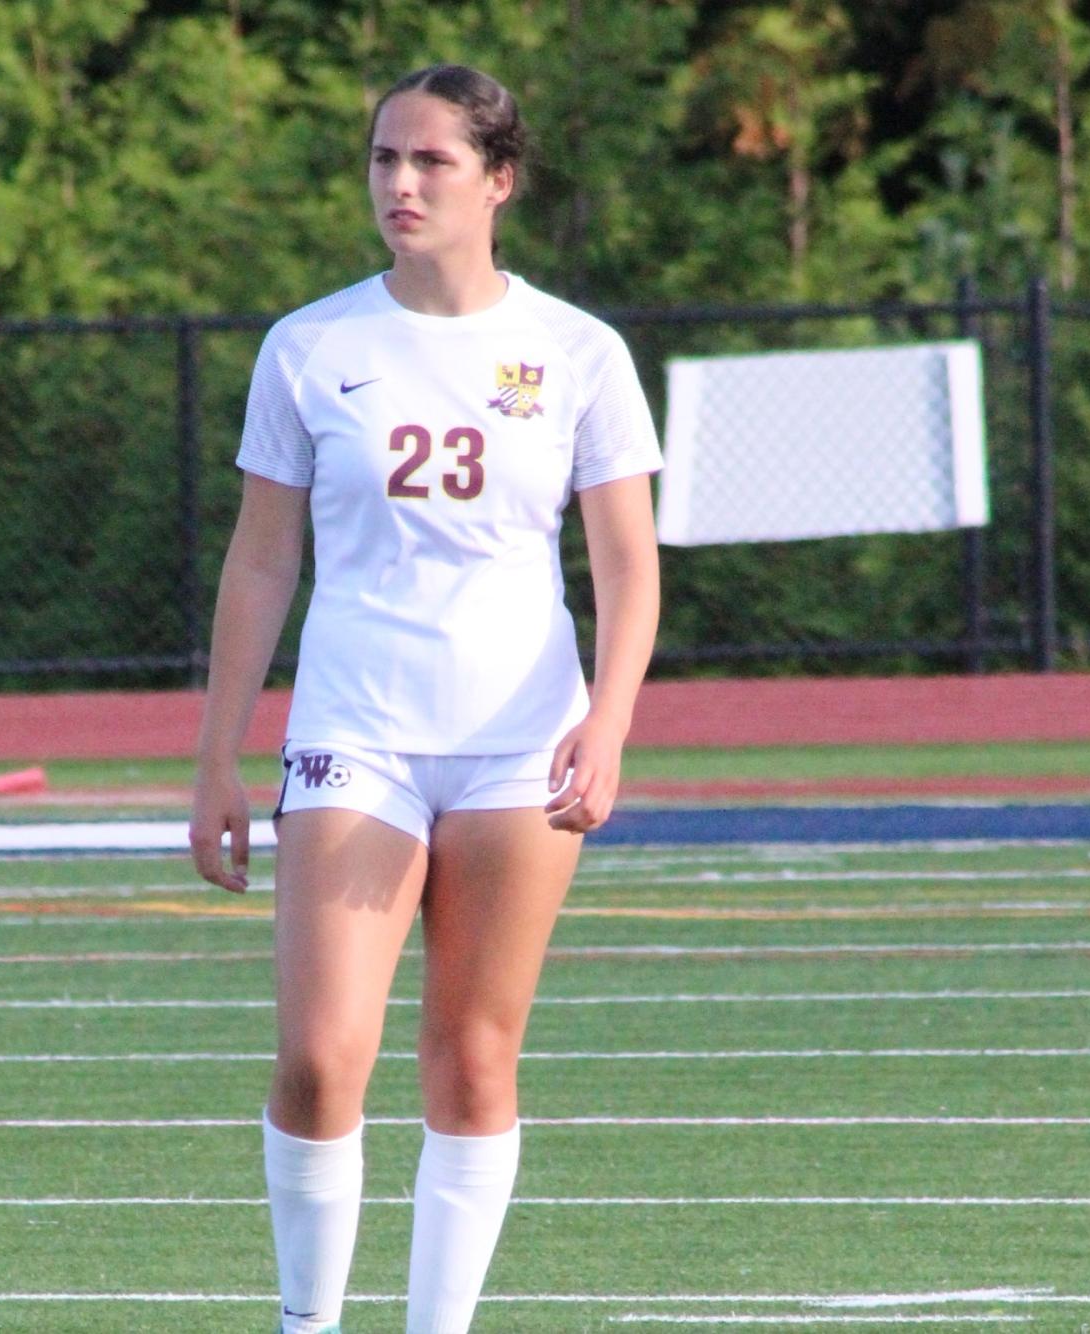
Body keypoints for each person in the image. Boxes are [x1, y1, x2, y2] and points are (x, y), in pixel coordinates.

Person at [186, 62, 662, 1334]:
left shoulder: (575, 352)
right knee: (320, 1055)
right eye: (385, 158)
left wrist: (608, 720)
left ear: (498, 181)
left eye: (432, 160)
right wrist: (217, 755)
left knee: (473, 1057)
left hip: (519, 739)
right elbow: (262, 555)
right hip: (355, 729)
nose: (400, 183)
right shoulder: (312, 345)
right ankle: (307, 1323)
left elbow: (627, 561)